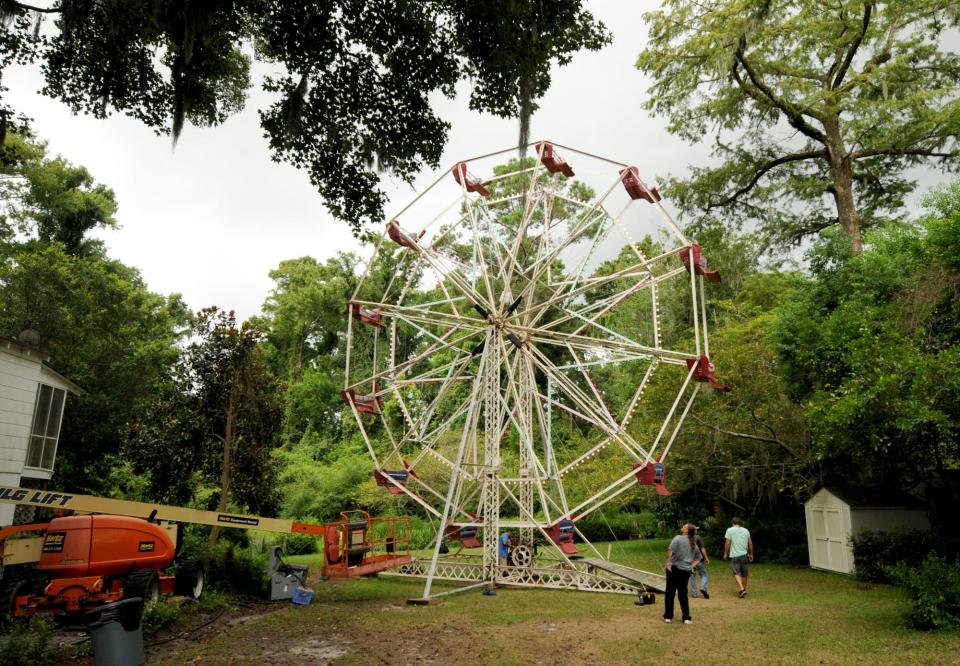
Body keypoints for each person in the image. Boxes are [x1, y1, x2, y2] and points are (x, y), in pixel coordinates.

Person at [663, 524, 701, 624]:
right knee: (683, 594)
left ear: (686, 531)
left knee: (670, 593)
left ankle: (668, 616)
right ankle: (686, 618)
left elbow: (670, 549)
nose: (683, 526)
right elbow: (699, 557)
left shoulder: (678, 538)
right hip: (685, 571)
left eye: (685, 526)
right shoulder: (693, 542)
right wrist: (691, 566)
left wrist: (669, 562)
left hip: (673, 569)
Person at [723, 516, 754, 598]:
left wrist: (725, 553)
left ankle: (742, 589)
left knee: (736, 572)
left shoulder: (730, 530)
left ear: (733, 523)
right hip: (744, 555)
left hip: (735, 556)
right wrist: (751, 554)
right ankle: (743, 590)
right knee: (744, 574)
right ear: (740, 523)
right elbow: (750, 544)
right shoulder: (746, 530)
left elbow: (727, 543)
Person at [688, 525, 710, 599]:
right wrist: (706, 558)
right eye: (696, 529)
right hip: (698, 560)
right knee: (704, 574)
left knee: (692, 576)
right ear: (694, 531)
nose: (697, 531)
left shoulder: (685, 538)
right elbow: (702, 548)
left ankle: (694, 593)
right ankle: (703, 588)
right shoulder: (697, 537)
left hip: (689, 561)